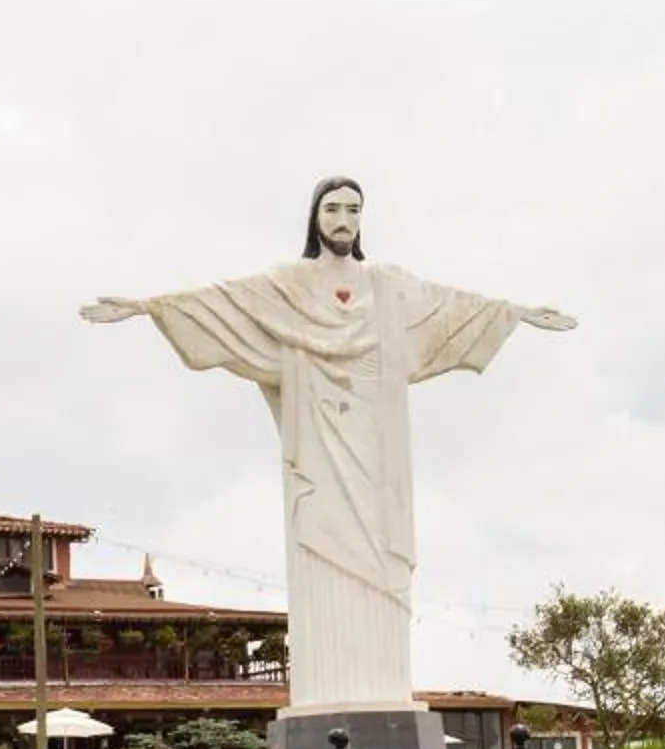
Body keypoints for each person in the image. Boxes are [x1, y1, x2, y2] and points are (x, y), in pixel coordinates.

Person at [83, 178, 572, 712]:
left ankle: (385, 689)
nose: (343, 218)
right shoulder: (290, 285)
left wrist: (516, 314)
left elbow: (450, 308)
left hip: (378, 448)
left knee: (382, 557)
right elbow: (226, 304)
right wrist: (147, 308)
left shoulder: (387, 286)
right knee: (321, 545)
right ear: (315, 217)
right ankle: (328, 694)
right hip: (318, 444)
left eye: (353, 210)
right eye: (333, 208)